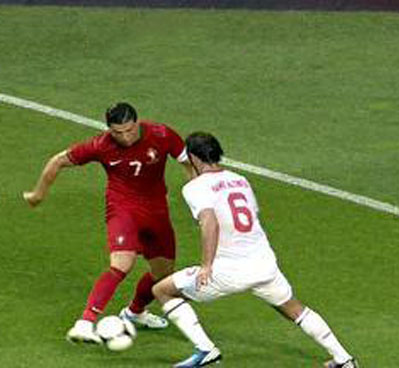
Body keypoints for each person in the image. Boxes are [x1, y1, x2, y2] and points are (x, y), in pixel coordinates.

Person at [152, 132, 359, 368]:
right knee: (295, 309)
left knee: (163, 291)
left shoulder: (194, 187)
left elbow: (210, 222)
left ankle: (205, 349)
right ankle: (344, 359)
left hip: (227, 271)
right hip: (264, 265)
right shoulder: (241, 179)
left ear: (194, 158)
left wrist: (207, 265)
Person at [23, 102, 192, 344]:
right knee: (121, 264)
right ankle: (84, 323)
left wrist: (200, 199)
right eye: (117, 132)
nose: (124, 137)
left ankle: (134, 313)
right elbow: (58, 161)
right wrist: (38, 194)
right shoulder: (100, 145)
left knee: (163, 273)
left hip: (157, 212)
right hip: (123, 209)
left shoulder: (162, 134)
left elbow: (187, 162)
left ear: (137, 122)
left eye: (129, 130)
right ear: (109, 130)